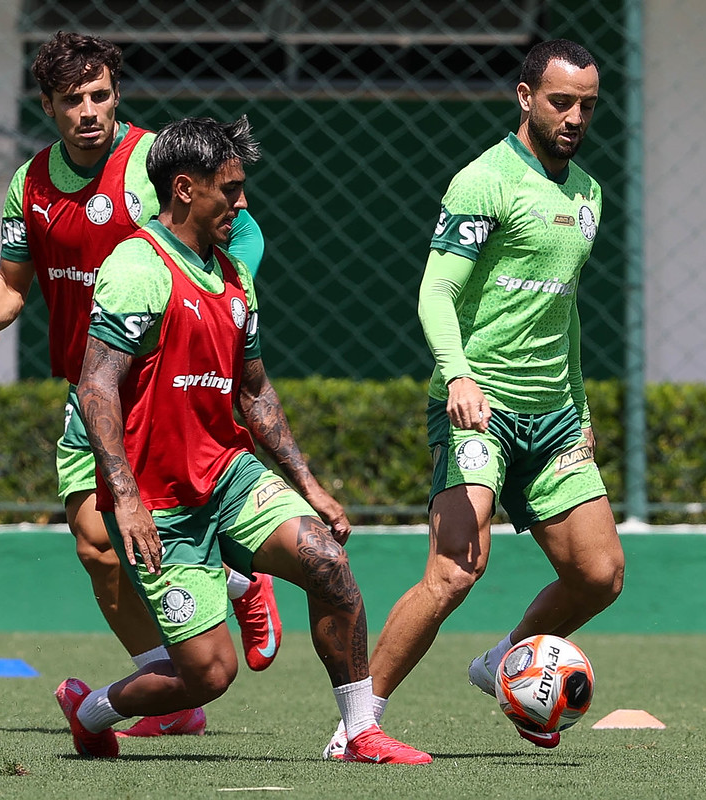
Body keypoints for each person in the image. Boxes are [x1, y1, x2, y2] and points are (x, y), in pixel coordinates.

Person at [55, 115, 432, 764]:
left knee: (329, 565)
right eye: (228, 189)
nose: (242, 202)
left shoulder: (234, 277)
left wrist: (309, 487)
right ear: (183, 189)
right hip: (160, 502)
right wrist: (126, 497)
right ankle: (91, 712)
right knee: (209, 675)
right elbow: (96, 389)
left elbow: (253, 392)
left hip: (229, 476)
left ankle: (359, 731)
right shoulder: (138, 268)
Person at [0, 32, 281, 738]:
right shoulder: (30, 184)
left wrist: (232, 302)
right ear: (46, 104)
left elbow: (244, 230)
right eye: (71, 99)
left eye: (100, 95)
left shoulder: (153, 161)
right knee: (95, 545)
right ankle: (173, 692)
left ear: (116, 95)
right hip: (93, 392)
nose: (88, 111)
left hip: (163, 387)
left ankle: (240, 578)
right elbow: (16, 282)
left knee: (167, 516)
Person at [324, 39, 625, 757]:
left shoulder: (587, 192)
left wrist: (579, 412)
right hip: (480, 404)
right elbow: (437, 290)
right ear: (525, 98)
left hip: (552, 417)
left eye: (587, 104)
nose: (575, 116)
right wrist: (458, 375)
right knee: (457, 568)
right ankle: (357, 726)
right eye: (561, 101)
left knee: (600, 573)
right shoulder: (483, 181)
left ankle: (502, 661)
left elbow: (567, 309)